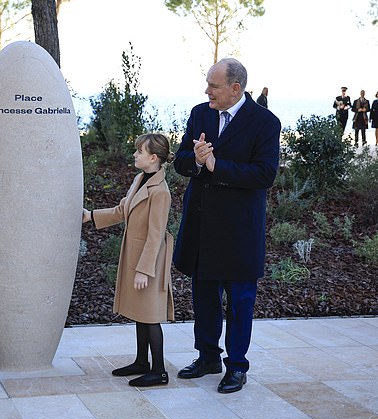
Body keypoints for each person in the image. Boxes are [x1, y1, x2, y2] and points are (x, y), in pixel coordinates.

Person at [173, 58, 280, 394]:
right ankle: (207, 357)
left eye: (213, 86)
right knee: (203, 297)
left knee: (239, 301)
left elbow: (264, 174)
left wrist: (217, 165)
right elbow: (181, 161)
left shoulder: (265, 123)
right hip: (203, 224)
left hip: (238, 231)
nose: (207, 91)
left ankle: (236, 366)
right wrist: (197, 161)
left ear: (236, 89)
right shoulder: (199, 113)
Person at [82, 133, 175, 388]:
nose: (135, 155)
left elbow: (156, 235)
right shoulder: (139, 179)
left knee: (150, 314)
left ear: (153, 158)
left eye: (139, 151)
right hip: (135, 254)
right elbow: (123, 210)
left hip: (149, 259)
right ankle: (141, 362)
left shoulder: (160, 192)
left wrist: (144, 270)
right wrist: (90, 215)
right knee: (139, 312)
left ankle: (159, 371)